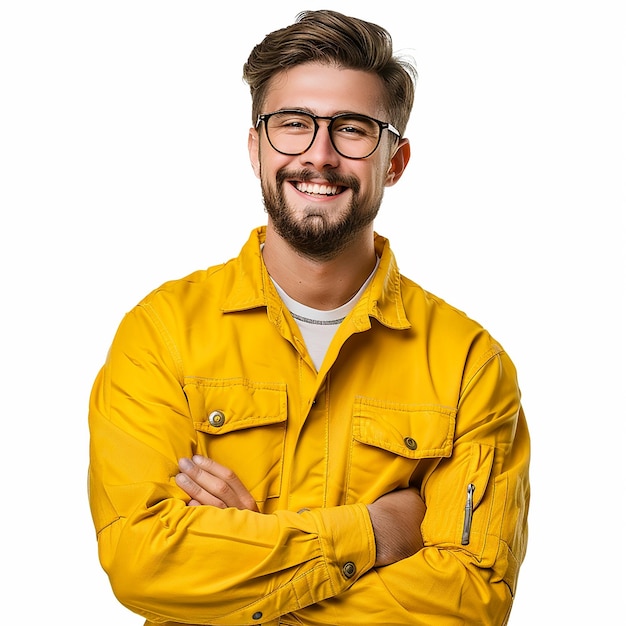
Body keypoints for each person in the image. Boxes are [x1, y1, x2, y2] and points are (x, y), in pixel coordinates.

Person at [88, 9, 530, 625]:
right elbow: (142, 562)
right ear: (256, 148)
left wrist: (245, 558)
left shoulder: (468, 365)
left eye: (352, 129)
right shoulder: (161, 334)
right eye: (293, 125)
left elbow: (470, 602)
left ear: (395, 161)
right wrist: (375, 534)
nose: (318, 155)